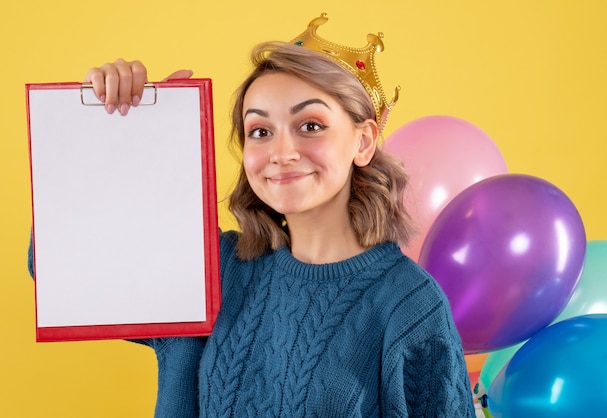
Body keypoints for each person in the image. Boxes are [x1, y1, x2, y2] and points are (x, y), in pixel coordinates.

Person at [29, 14, 475, 417]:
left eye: (311, 125)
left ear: (363, 141)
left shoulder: (409, 305)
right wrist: (126, 133)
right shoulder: (215, 270)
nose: (281, 153)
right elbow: (59, 270)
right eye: (260, 131)